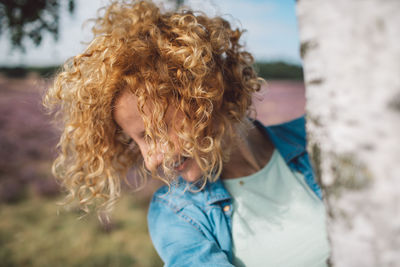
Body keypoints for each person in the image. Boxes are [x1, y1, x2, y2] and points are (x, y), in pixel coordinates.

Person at [44, 0, 330, 266]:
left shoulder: (318, 137)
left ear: (205, 96)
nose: (150, 160)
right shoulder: (176, 215)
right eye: (137, 141)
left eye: (153, 132)